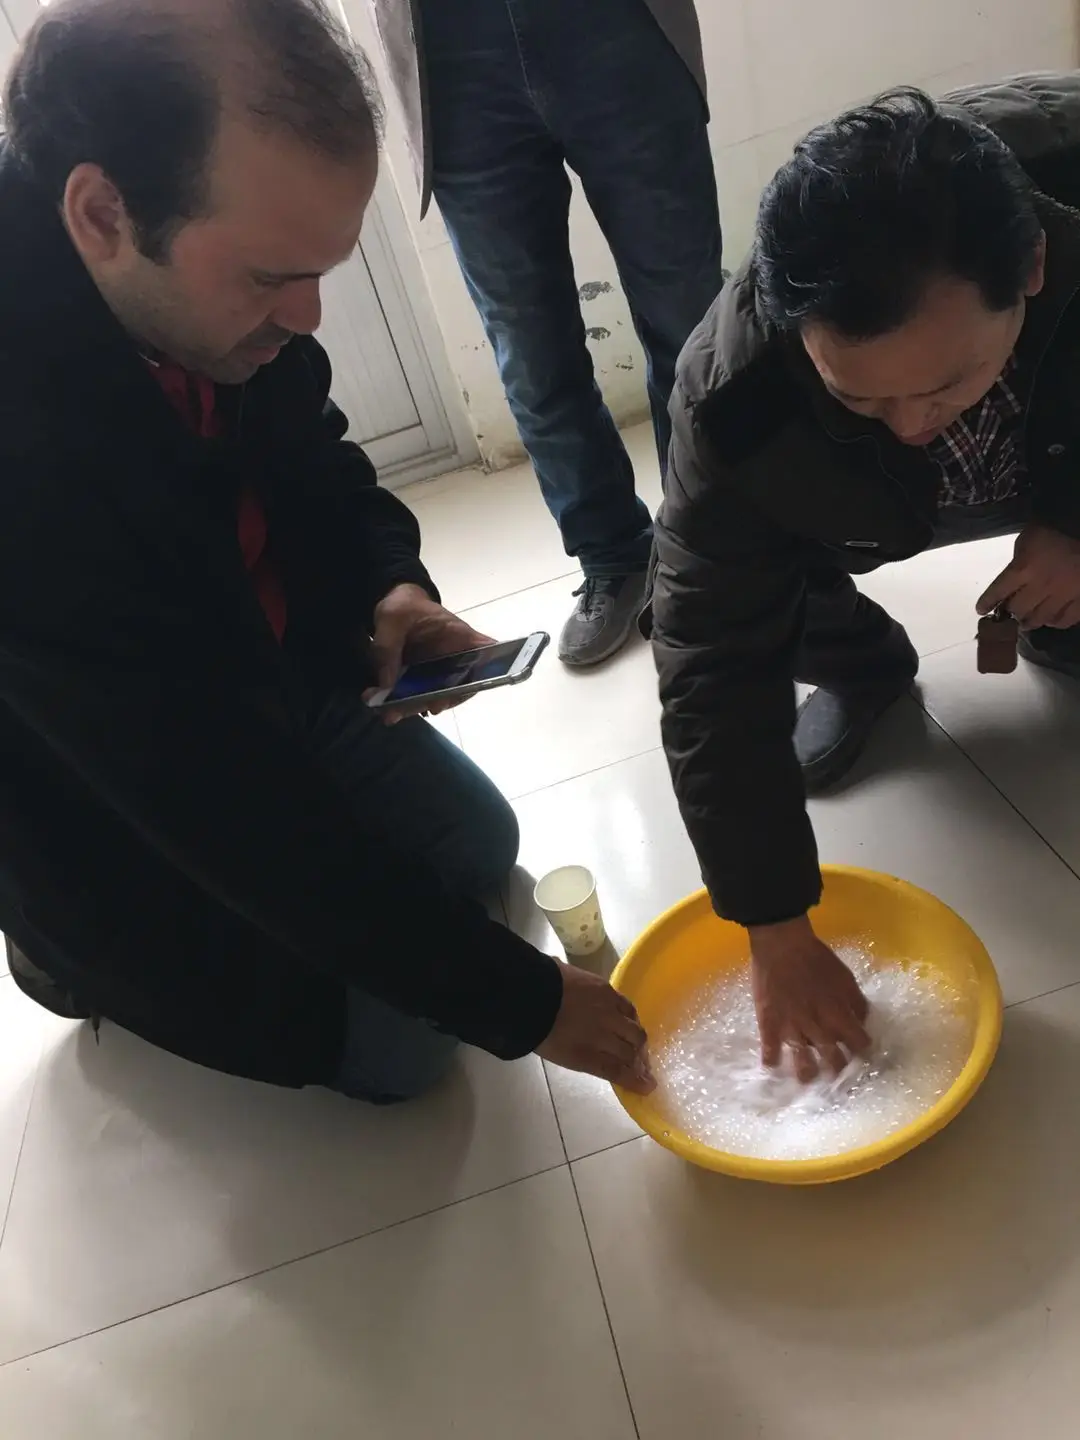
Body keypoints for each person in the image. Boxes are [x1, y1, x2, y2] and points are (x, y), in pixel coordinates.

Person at [0, 0, 654, 1103]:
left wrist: (386, 587)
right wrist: (522, 1003)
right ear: (103, 213)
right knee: (406, 1054)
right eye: (270, 278)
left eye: (323, 273)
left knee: (480, 845)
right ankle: (63, 961)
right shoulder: (24, 461)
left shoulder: (202, 294)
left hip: (256, 674)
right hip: (100, 791)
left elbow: (313, 451)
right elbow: (206, 792)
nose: (306, 318)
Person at [648, 75, 1080, 1078]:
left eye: (948, 382)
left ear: (1033, 267)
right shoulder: (735, 400)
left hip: (1054, 443)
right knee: (753, 587)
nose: (915, 423)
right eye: (861, 395)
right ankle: (863, 664)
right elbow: (713, 654)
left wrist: (1071, 525)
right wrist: (770, 921)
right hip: (857, 510)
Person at [369, 0, 724, 667]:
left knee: (688, 320)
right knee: (529, 348)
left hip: (613, 21)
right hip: (446, 44)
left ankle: (710, 553)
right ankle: (612, 556)